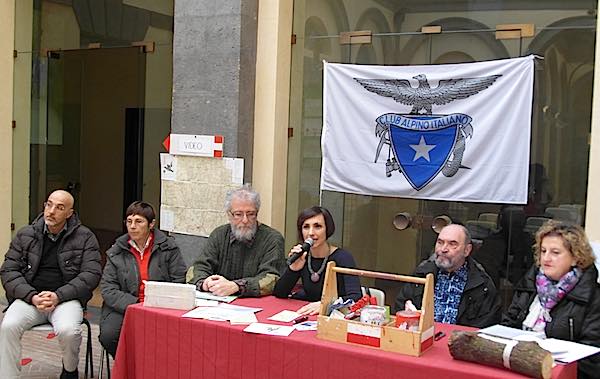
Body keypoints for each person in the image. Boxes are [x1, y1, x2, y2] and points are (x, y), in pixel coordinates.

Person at [0, 190, 101, 379]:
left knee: (68, 331)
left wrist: (58, 296)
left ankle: (70, 370)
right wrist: (32, 296)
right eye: (49, 204)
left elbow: (91, 274)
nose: (51, 211)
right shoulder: (26, 234)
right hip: (31, 298)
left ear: (70, 213)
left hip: (65, 300)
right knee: (8, 326)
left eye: (59, 207)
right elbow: (8, 271)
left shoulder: (85, 237)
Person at [502, 220, 600, 379]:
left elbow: (592, 358)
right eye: (543, 251)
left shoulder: (593, 297)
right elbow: (508, 323)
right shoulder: (529, 284)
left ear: (576, 257)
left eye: (555, 252)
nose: (546, 258)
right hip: (518, 367)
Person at [99, 201, 186, 357]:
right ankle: (129, 368)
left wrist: (157, 303)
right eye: (129, 221)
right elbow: (108, 289)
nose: (132, 226)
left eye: (139, 221)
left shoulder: (168, 248)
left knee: (170, 339)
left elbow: (178, 280)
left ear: (151, 224)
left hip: (159, 307)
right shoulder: (116, 251)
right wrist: (136, 304)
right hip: (125, 307)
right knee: (109, 336)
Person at [394, 224, 500, 328]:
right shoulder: (422, 274)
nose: (443, 249)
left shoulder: (482, 285)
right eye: (440, 242)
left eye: (452, 244)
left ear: (467, 250)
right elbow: (399, 306)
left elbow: (485, 327)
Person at [188, 185, 285, 297]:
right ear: (229, 214)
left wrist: (237, 286)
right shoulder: (219, 234)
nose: (245, 220)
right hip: (218, 302)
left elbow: (271, 278)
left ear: (257, 213)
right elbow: (197, 268)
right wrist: (205, 283)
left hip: (255, 305)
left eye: (250, 214)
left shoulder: (272, 238)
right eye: (238, 214)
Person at [273, 206, 362, 315]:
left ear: (327, 230)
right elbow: (279, 293)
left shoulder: (343, 257)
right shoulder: (302, 256)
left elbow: (355, 297)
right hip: (307, 316)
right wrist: (293, 269)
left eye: (317, 226)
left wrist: (326, 305)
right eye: (306, 227)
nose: (311, 232)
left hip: (335, 317)